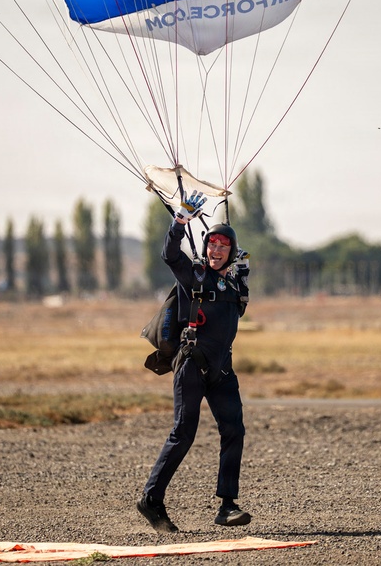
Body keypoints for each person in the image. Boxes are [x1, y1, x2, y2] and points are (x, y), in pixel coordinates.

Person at [137, 191, 252, 533]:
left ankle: (227, 506)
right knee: (183, 433)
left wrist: (240, 268)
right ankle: (151, 500)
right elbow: (169, 255)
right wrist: (179, 223)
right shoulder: (194, 275)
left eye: (223, 247)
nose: (216, 251)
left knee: (234, 429)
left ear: (230, 251)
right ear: (205, 248)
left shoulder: (235, 282)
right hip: (192, 366)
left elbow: (238, 307)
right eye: (212, 245)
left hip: (222, 370)